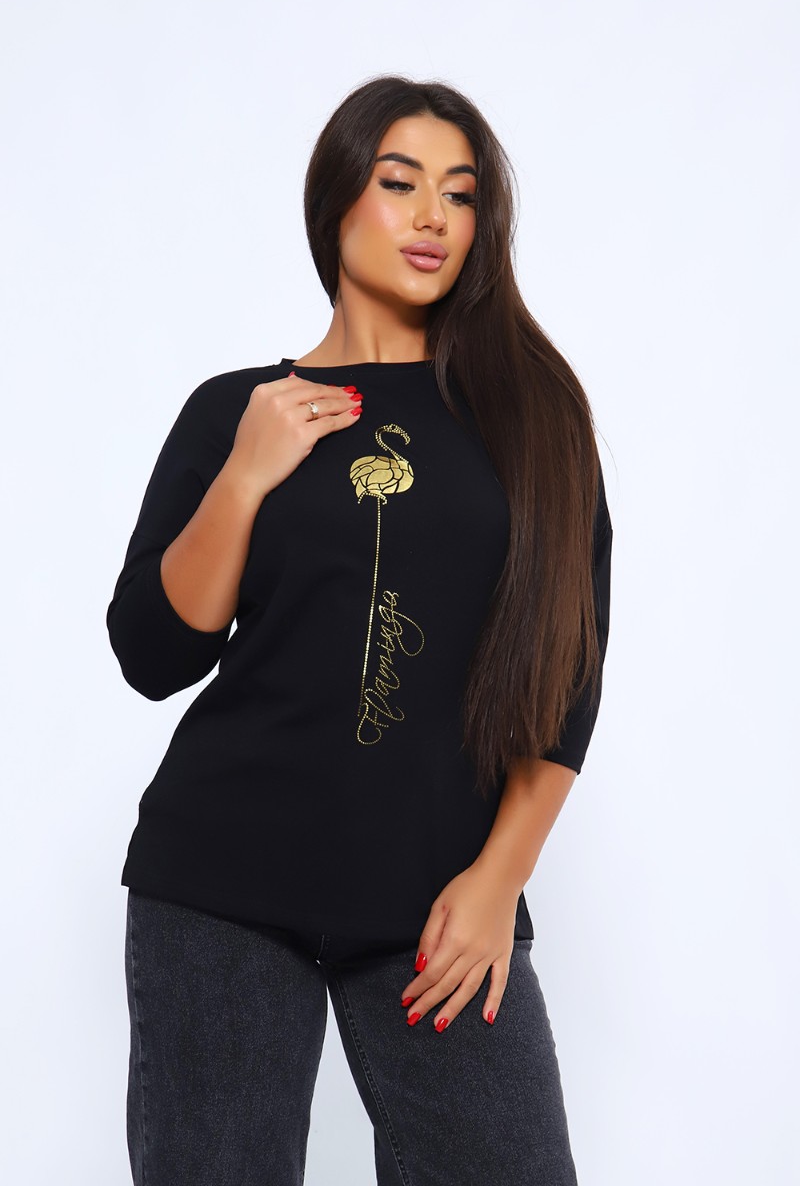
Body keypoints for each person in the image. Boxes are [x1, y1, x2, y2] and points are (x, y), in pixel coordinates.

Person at [107, 73, 613, 1186]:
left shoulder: (530, 417)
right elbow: (153, 653)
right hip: (221, 884)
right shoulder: (239, 409)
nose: (433, 216)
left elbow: (566, 671)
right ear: (336, 198)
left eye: (460, 194)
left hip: (438, 903)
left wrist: (499, 880)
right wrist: (245, 477)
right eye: (399, 183)